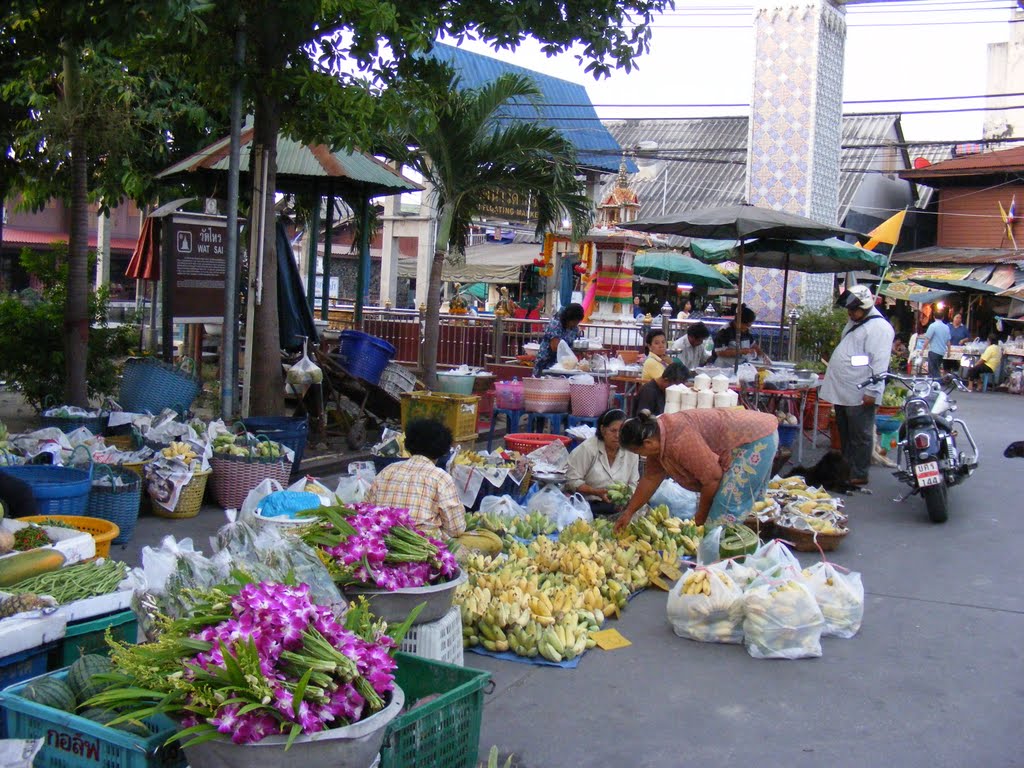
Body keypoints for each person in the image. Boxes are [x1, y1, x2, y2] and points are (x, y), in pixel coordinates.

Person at [613, 409, 779, 532]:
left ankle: (719, 565)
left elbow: (712, 478)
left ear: (647, 443)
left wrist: (701, 515)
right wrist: (629, 512)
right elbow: (650, 478)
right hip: (747, 437)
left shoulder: (679, 440)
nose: (640, 456)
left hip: (755, 438)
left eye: (637, 452)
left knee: (725, 508)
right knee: (724, 507)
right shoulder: (658, 437)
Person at [819, 285, 895, 488]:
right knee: (846, 434)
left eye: (854, 310)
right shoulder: (856, 322)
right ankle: (847, 468)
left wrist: (873, 391)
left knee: (861, 434)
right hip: (846, 389)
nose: (850, 314)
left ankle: (859, 472)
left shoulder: (879, 329)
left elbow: (879, 362)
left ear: (866, 306)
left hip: (861, 390)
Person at [363, 418, 466, 538]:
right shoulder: (440, 478)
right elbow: (456, 529)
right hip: (423, 545)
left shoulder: (387, 470)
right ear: (443, 450)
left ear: (408, 445)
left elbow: (366, 510)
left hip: (382, 540)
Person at [565, 409, 640, 517]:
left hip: (619, 507)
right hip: (588, 505)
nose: (618, 435)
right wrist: (596, 491)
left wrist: (626, 499)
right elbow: (571, 481)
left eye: (622, 431)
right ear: (603, 429)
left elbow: (633, 484)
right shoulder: (588, 449)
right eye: (613, 430)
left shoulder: (631, 452)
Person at [533, 303, 585, 375]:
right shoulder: (555, 324)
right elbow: (555, 347)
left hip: (564, 365)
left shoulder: (574, 329)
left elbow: (574, 343)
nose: (576, 324)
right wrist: (570, 352)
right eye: (574, 321)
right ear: (569, 318)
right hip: (548, 363)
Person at [923, 310, 951, 379]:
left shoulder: (932, 326)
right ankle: (935, 384)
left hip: (933, 351)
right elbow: (948, 341)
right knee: (937, 368)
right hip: (942, 352)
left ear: (934, 317)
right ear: (943, 317)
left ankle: (938, 383)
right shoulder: (946, 327)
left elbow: (927, 338)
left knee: (933, 370)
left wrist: (922, 349)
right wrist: (949, 351)